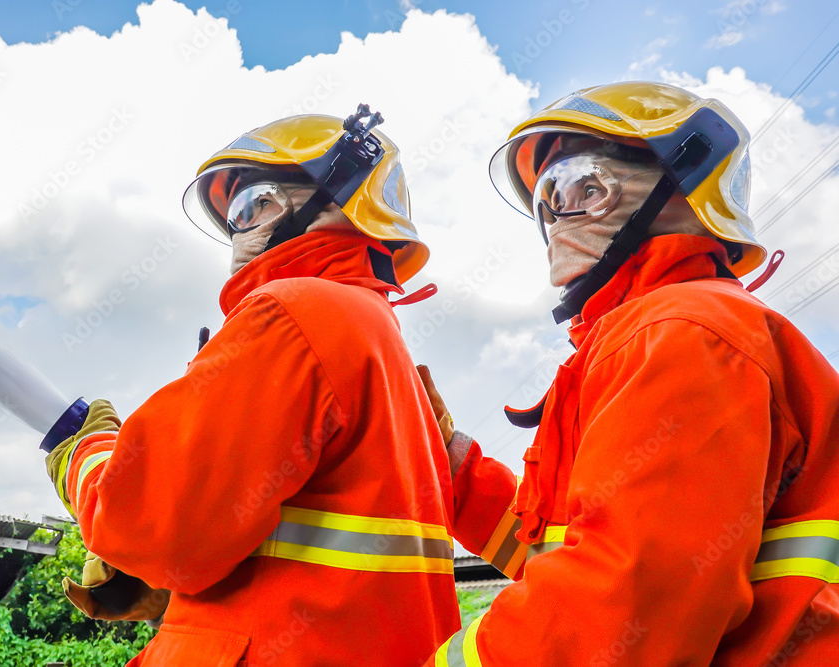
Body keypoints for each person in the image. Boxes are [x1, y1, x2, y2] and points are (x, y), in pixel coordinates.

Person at [423, 82, 839, 665]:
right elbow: (568, 552)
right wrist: (454, 470)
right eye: (548, 199)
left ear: (680, 189)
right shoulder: (646, 335)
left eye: (582, 188)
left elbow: (621, 610)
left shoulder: (683, 333)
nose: (556, 219)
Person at [45, 105, 461, 666]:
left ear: (334, 203)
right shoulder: (373, 337)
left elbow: (155, 527)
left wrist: (84, 454)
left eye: (254, 204)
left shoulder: (294, 311)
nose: (239, 235)